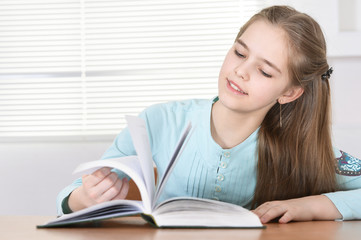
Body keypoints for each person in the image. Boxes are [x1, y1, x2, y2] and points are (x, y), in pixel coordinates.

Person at [57, 5, 361, 223]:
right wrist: (85, 198)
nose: (240, 71)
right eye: (239, 53)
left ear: (289, 93)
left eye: (264, 71)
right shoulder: (158, 122)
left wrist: (312, 205)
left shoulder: (300, 149)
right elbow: (69, 198)